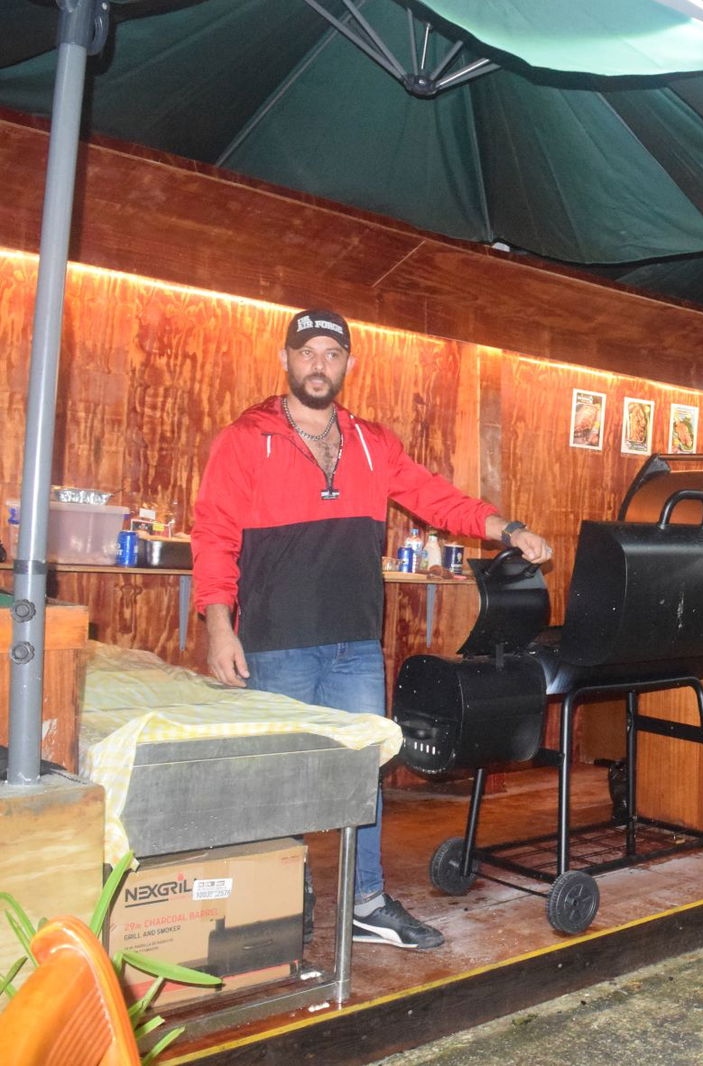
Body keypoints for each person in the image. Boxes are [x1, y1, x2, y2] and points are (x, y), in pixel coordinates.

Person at [192, 308, 553, 950]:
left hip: (354, 644)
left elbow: (436, 497)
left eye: (332, 354)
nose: (319, 364)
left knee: (364, 773)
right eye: (308, 353)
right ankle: (285, 899)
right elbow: (214, 536)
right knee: (283, 776)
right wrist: (220, 627)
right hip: (272, 642)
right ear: (286, 359)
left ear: (347, 366)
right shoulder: (246, 438)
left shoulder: (371, 443)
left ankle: (366, 900)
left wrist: (508, 527)